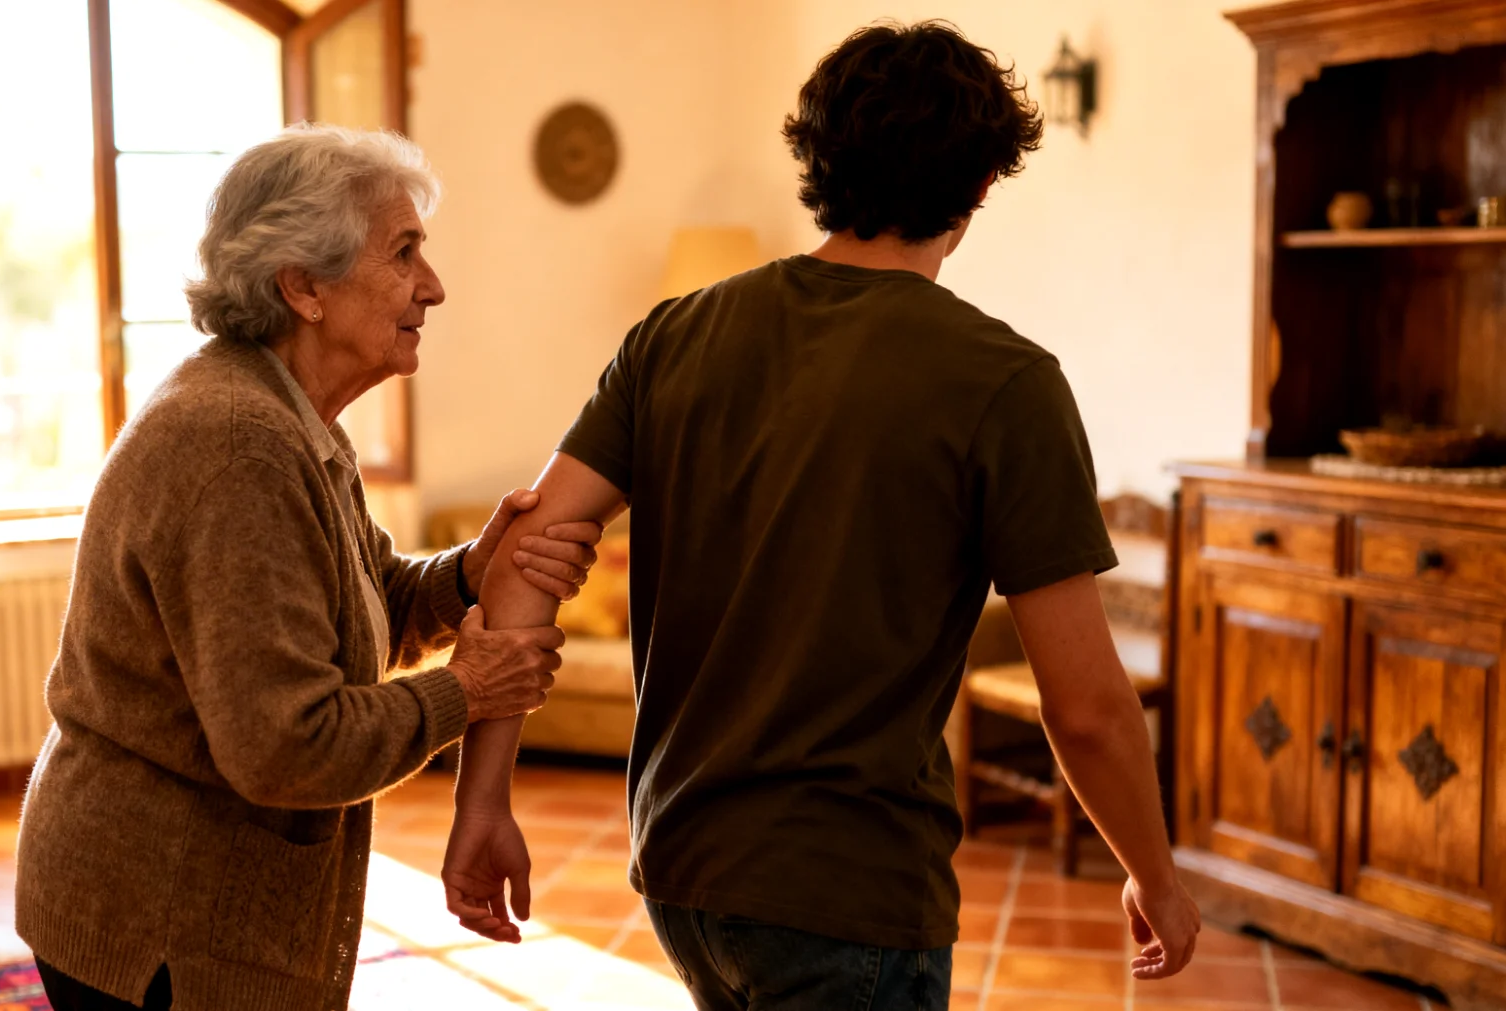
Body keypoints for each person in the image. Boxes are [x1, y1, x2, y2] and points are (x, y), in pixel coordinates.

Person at [438, 21, 1201, 1010]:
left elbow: (522, 551)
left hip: (680, 867)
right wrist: (1154, 875)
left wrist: (483, 799)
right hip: (849, 893)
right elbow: (1088, 707)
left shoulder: (674, 336)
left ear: (817, 159)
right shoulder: (1006, 382)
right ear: (978, 187)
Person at [15, 124, 603, 1011]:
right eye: (403, 253)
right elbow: (286, 745)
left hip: (187, 910)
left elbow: (364, 605)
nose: (433, 286)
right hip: (157, 922)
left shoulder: (291, 417)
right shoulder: (239, 445)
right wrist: (467, 691)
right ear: (303, 287)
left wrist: (470, 570)